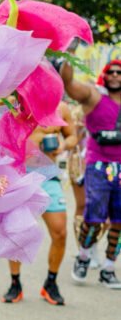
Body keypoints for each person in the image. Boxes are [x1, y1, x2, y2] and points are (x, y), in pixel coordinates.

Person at [2, 102, 77, 306]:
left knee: (60, 232)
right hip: (20, 173)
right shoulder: (17, 103)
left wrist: (63, 145)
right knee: (18, 231)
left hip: (48, 174)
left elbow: (72, 136)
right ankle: (15, 283)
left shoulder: (61, 107)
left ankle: (51, 283)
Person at [64, 60, 121, 288]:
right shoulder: (94, 97)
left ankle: (108, 268)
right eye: (111, 72)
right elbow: (69, 84)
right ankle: (83, 256)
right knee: (94, 215)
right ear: (105, 76)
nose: (115, 75)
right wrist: (68, 54)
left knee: (119, 221)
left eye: (119, 72)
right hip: (98, 165)